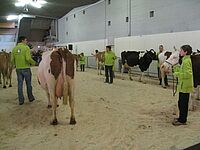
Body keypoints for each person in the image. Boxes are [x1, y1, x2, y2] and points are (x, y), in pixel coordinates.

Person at [11, 36, 36, 105]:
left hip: (18, 69)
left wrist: (15, 65)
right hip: (26, 68)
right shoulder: (26, 48)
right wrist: (34, 63)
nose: (26, 41)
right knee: (28, 84)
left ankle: (21, 100)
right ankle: (30, 98)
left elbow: (12, 60)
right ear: (22, 40)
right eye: (26, 40)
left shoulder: (14, 49)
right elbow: (28, 58)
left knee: (20, 85)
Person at [172, 45, 194, 126]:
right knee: (180, 103)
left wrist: (177, 74)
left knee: (183, 104)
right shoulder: (184, 60)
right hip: (182, 86)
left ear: (185, 52)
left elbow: (188, 74)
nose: (180, 52)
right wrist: (175, 67)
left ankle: (182, 120)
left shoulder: (186, 61)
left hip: (185, 87)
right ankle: (181, 118)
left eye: (181, 50)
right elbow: (182, 70)